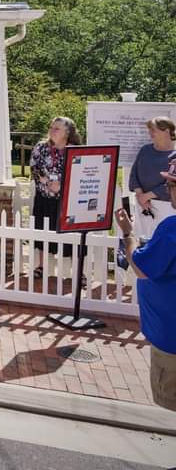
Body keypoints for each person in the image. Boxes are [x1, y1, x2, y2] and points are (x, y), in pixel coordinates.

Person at [116, 167, 176, 412]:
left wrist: (129, 235)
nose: (168, 191)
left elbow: (141, 267)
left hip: (171, 340)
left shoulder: (172, 229)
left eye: (171, 185)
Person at [29, 116, 80, 273]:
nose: (52, 131)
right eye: (51, 127)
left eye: (57, 128)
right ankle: (42, 267)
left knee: (72, 237)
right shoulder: (41, 147)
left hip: (67, 201)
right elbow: (34, 168)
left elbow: (79, 173)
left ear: (67, 132)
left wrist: (61, 185)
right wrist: (46, 182)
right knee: (43, 233)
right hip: (44, 199)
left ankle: (79, 271)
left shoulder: (75, 150)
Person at [128, 117, 176, 240]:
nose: (149, 133)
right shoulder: (145, 150)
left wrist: (147, 196)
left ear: (166, 131)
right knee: (142, 241)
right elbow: (134, 174)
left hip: (166, 207)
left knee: (163, 242)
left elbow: (172, 182)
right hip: (143, 205)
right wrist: (140, 195)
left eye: (153, 130)